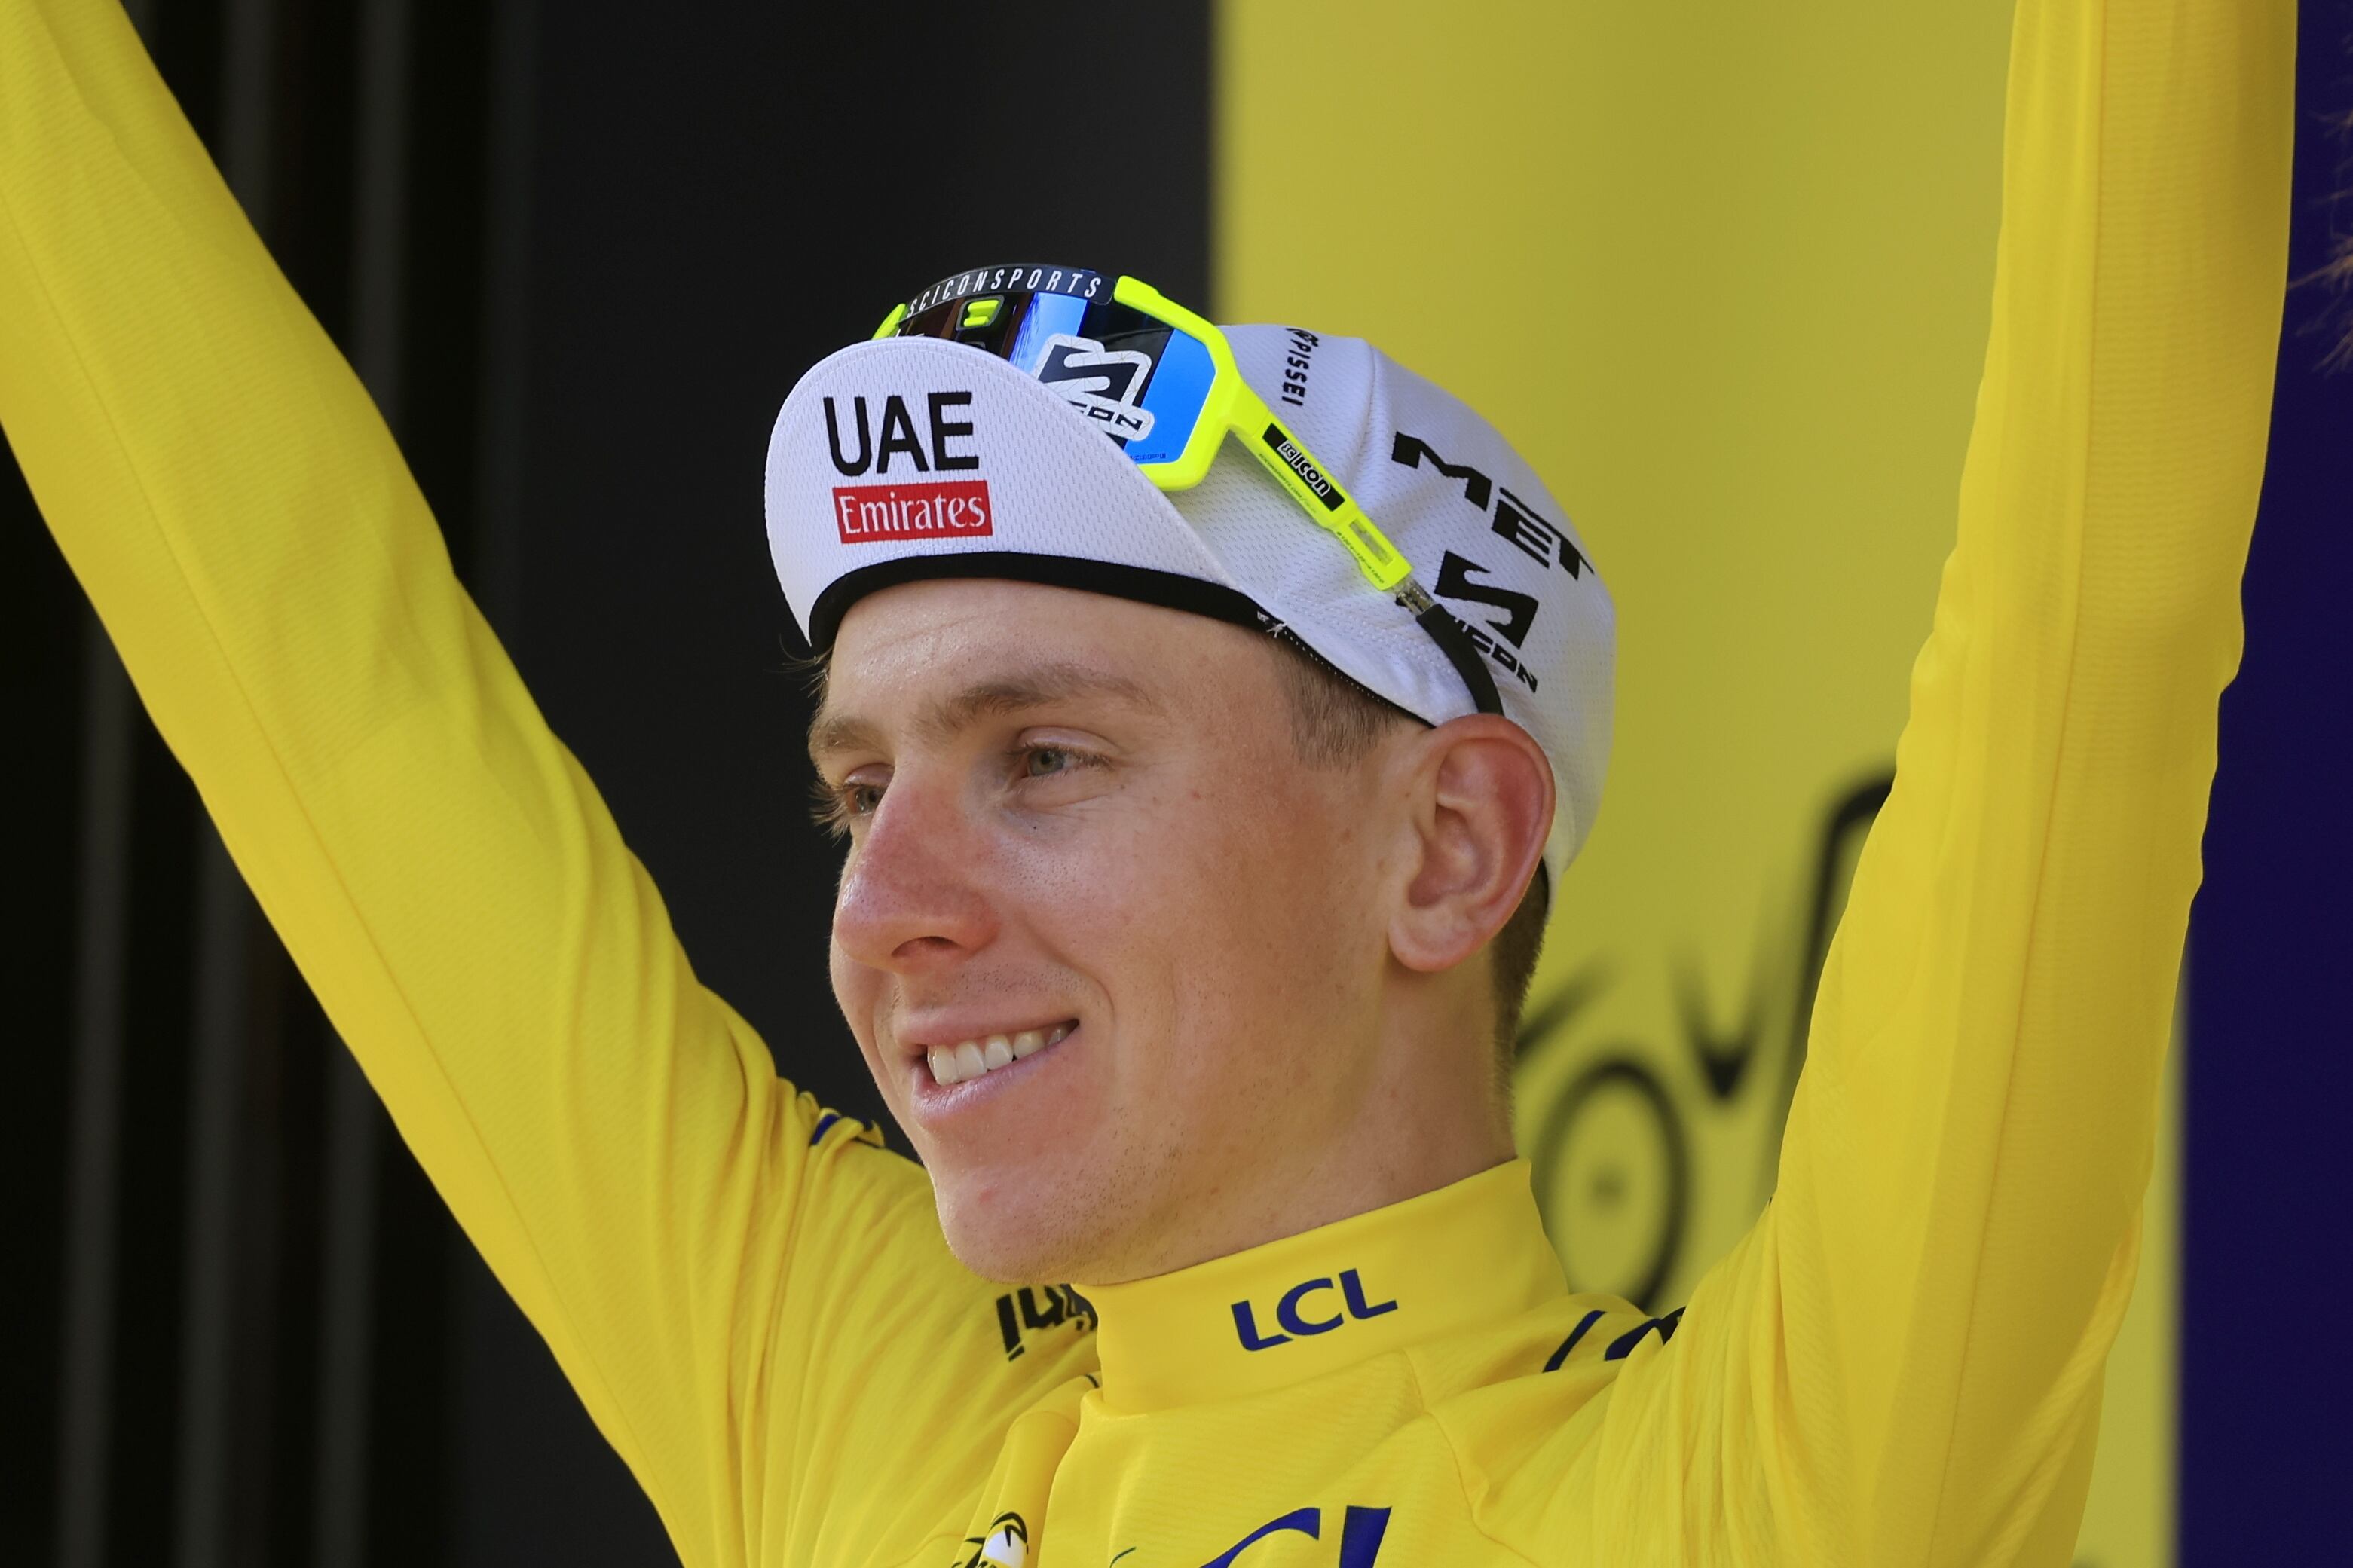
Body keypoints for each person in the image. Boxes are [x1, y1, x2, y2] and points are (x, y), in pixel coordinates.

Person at [0, 0, 2290, 1562]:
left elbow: (2087, 618)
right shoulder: (855, 1391)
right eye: (857, 788)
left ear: (1448, 846)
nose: (885, 907)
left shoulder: (1758, 1496)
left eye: (1045, 757)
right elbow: (317, 671)